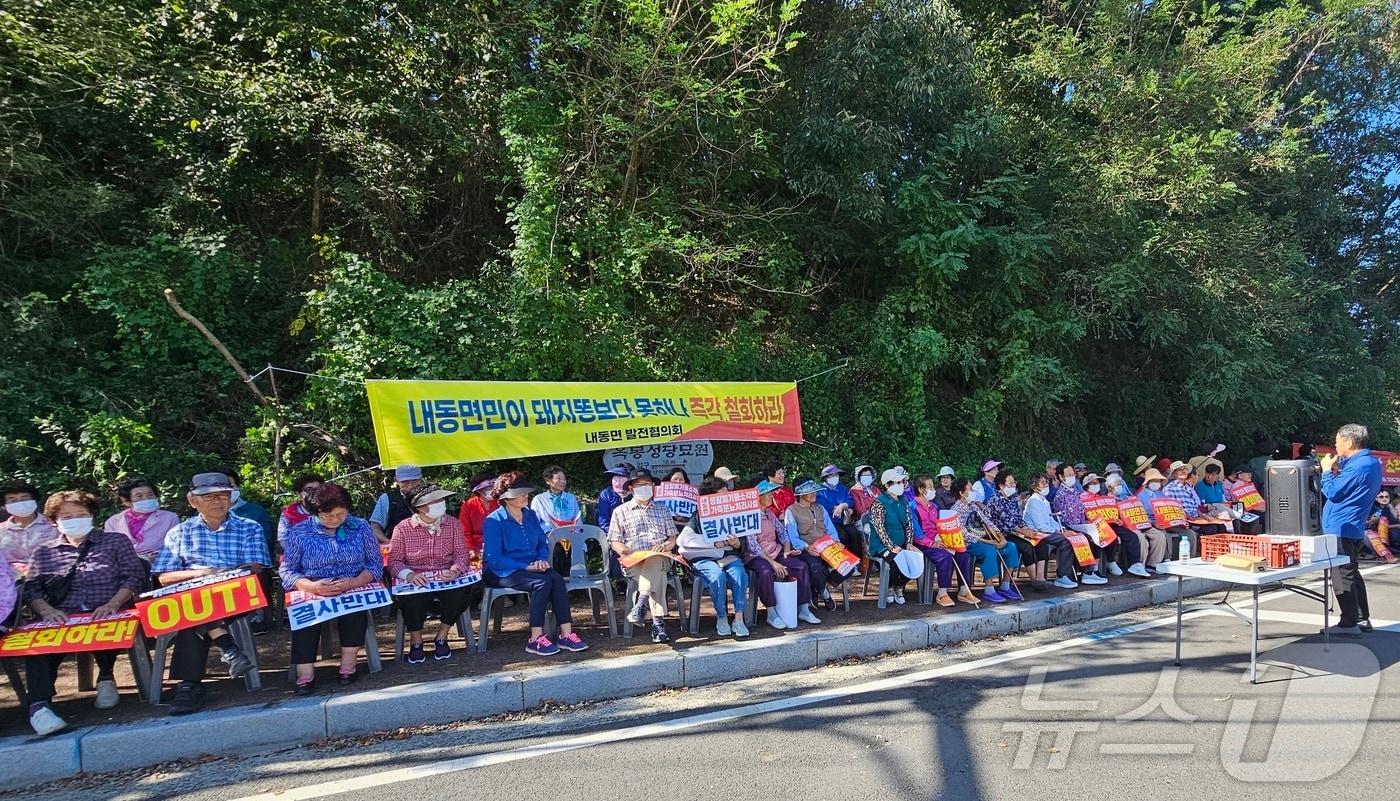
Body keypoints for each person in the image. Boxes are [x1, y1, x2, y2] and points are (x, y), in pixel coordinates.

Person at [22, 490, 145, 735]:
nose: (74, 519)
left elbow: (134, 576)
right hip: (62, 615)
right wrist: (46, 611)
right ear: (54, 520)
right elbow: (31, 588)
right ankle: (40, 706)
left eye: (81, 514)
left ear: (92, 516)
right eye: (67, 515)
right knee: (36, 644)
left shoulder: (115, 541)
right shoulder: (44, 551)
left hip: (108, 608)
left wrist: (113, 603)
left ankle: (106, 677)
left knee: (108, 622)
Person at [152, 471, 270, 715]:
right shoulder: (180, 533)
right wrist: (201, 574)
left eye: (223, 495)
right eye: (209, 497)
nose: (218, 501)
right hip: (193, 595)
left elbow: (254, 567)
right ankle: (227, 649)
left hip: (235, 594)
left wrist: (219, 576)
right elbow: (164, 577)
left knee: (193, 612)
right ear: (192, 501)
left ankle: (190, 685)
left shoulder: (249, 527)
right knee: (195, 606)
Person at [280, 483, 382, 694]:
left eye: (340, 514)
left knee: (354, 612)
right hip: (314, 586)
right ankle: (305, 674)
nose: (335, 520)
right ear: (315, 513)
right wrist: (312, 586)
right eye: (328, 516)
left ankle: (348, 666)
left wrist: (354, 582)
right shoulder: (299, 532)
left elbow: (374, 563)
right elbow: (288, 570)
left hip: (352, 583)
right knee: (305, 617)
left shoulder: (360, 527)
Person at [483, 472, 589, 655]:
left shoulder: (530, 515)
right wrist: (526, 567)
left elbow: (542, 542)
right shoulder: (494, 521)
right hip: (502, 571)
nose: (526, 495)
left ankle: (566, 634)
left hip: (531, 565)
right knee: (541, 582)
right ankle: (535, 638)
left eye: (526, 492)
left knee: (556, 578)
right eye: (521, 492)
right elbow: (494, 558)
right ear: (507, 498)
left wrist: (540, 560)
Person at [390, 486, 476, 663]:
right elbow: (394, 562)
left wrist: (455, 570)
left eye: (440, 500)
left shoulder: (453, 524)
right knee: (413, 599)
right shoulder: (403, 528)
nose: (440, 504)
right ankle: (416, 639)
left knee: (459, 594)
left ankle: (442, 635)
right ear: (420, 507)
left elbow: (462, 554)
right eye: (434, 501)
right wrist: (410, 575)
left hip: (445, 575)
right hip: (417, 577)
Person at [1322, 424, 1384, 637]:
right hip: (1351, 525)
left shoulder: (1360, 466)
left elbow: (1334, 493)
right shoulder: (1369, 463)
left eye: (1338, 441)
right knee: (1351, 571)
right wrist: (1337, 471)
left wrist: (1326, 472)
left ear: (1349, 441)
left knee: (1342, 575)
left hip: (1342, 526)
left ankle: (1349, 623)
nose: (1335, 445)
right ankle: (1360, 617)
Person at [609, 469, 681, 643]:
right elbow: (614, 541)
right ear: (632, 488)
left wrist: (664, 546)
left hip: (661, 556)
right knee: (658, 576)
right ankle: (658, 624)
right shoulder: (620, 511)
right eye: (640, 485)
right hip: (633, 561)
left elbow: (673, 538)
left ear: (653, 487)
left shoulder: (663, 510)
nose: (644, 488)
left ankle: (641, 604)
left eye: (647, 484)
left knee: (655, 558)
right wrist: (629, 552)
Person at [678, 479, 750, 638]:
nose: (727, 497)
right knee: (717, 575)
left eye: (727, 493)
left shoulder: (734, 513)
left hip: (729, 556)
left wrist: (737, 543)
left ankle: (739, 618)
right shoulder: (698, 515)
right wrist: (710, 542)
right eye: (722, 494)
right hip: (704, 558)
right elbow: (684, 539)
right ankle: (722, 616)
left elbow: (743, 542)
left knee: (739, 574)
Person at [745, 480, 815, 629]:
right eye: (768, 494)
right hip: (757, 557)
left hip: (776, 552)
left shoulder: (770, 513)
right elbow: (753, 546)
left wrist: (786, 550)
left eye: (771, 493)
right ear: (758, 497)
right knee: (766, 572)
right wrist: (773, 563)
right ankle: (771, 612)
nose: (771, 496)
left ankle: (804, 608)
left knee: (801, 566)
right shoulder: (750, 516)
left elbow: (782, 532)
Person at [909, 474, 979, 606]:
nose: (933, 489)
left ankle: (964, 591)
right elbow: (916, 533)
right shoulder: (912, 507)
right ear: (920, 489)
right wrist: (932, 543)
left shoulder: (934, 506)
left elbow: (940, 525)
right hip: (924, 543)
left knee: (962, 552)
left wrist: (947, 538)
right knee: (945, 556)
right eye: (929, 486)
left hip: (939, 539)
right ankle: (942, 593)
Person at [952, 479, 1023, 603]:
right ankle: (989, 589)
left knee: (1011, 546)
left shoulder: (973, 506)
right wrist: (988, 542)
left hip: (986, 538)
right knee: (989, 551)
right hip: (970, 543)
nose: (973, 491)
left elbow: (987, 521)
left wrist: (1000, 536)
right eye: (970, 489)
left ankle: (1006, 585)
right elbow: (964, 534)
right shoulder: (956, 509)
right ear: (961, 493)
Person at [783, 480, 847, 614]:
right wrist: (806, 547)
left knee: (848, 566)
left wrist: (836, 541)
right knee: (816, 569)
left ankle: (820, 586)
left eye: (814, 491)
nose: (814, 494)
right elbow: (793, 537)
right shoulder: (791, 511)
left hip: (828, 545)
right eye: (810, 491)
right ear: (800, 494)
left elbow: (830, 528)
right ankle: (824, 593)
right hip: (808, 548)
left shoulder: (820, 508)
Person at [1083, 473, 1160, 577]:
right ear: (1087, 486)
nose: (1096, 485)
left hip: (1111, 523)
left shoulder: (1102, 497)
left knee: (1131, 536)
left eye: (1097, 483)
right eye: (1093, 483)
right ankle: (1110, 562)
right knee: (1110, 536)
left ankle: (1135, 564)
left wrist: (1118, 520)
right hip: (1095, 526)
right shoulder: (1082, 498)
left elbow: (1111, 512)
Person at [984, 471, 1049, 589]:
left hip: (1016, 532)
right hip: (1001, 534)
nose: (1013, 485)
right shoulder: (995, 500)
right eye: (1010, 483)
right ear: (1001, 485)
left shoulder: (1012, 499)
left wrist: (1026, 528)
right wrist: (1023, 532)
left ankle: (1040, 577)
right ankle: (1034, 579)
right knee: (1027, 546)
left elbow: (1018, 518)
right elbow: (1006, 523)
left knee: (1041, 541)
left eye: (1014, 483)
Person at [1051, 462, 1114, 582]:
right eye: (1068, 474)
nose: (1071, 476)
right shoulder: (1060, 495)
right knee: (1086, 537)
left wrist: (1087, 524)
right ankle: (1087, 572)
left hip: (1080, 524)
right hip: (1069, 526)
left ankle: (1094, 569)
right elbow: (1061, 517)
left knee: (1100, 532)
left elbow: (1080, 512)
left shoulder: (1074, 491)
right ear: (1060, 477)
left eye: (1072, 474)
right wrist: (1075, 528)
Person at [1022, 475, 1082, 588]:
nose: (1046, 485)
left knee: (1073, 536)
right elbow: (1041, 527)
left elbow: (1050, 520)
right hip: (1037, 534)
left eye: (1046, 483)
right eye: (1043, 483)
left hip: (1046, 532)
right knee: (1066, 541)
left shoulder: (1043, 500)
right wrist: (1061, 533)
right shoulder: (1034, 501)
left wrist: (1062, 529)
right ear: (1035, 488)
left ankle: (1076, 573)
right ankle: (1062, 576)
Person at [104, 476, 180, 565]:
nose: (146, 499)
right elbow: (111, 550)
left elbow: (174, 547)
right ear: (126, 501)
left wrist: (151, 559)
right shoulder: (113, 522)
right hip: (125, 566)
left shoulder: (170, 518)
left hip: (160, 564)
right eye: (139, 496)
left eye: (150, 494)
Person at [1164, 460, 1227, 549]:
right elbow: (1173, 509)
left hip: (1195, 518)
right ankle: (1203, 553)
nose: (1183, 471)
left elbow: (1194, 506)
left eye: (1184, 469)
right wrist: (1189, 517)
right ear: (1174, 474)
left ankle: (1217, 552)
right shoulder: (1169, 489)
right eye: (1179, 470)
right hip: (1182, 520)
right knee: (1211, 528)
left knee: (1221, 526)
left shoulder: (1189, 488)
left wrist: (1202, 515)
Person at [2, 480, 56, 579]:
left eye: (24, 498)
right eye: (12, 500)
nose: (20, 503)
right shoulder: (1, 530)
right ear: (5, 505)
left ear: (34, 500)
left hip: (50, 583)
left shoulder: (54, 526)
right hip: (9, 587)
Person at [816, 464, 863, 555]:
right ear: (825, 477)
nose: (835, 477)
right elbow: (822, 504)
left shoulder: (842, 487)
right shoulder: (820, 490)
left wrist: (843, 506)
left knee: (855, 534)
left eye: (836, 475)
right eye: (832, 475)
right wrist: (836, 508)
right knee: (842, 536)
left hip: (844, 521)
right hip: (829, 522)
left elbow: (850, 499)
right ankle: (841, 563)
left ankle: (856, 562)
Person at [369, 465, 423, 543]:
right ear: (397, 481)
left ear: (421, 480)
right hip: (396, 545)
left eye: (415, 481)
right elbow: (375, 527)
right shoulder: (386, 499)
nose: (411, 486)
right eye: (405, 482)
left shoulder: (431, 497)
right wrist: (389, 543)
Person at [276, 473, 325, 546]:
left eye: (318, 489)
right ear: (299, 493)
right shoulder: (289, 513)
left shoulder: (330, 509)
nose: (315, 492)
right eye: (309, 489)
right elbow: (283, 539)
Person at [456, 475, 499, 556]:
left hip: (501, 547)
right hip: (476, 549)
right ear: (479, 490)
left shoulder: (501, 503)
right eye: (488, 488)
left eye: (493, 486)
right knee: (475, 566)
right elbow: (464, 532)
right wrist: (470, 550)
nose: (492, 490)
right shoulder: (469, 505)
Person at [531, 466, 581, 531]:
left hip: (570, 536)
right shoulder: (539, 500)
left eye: (564, 478)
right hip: (549, 538)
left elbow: (578, 520)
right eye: (559, 478)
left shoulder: (571, 498)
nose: (563, 481)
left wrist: (576, 532)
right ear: (548, 481)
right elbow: (534, 524)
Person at [594, 467, 631, 534]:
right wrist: (613, 534)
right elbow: (603, 520)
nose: (618, 484)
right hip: (612, 532)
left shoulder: (633, 494)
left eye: (622, 480)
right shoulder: (606, 494)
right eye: (615, 480)